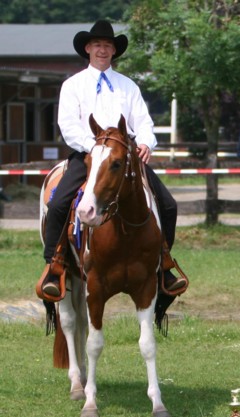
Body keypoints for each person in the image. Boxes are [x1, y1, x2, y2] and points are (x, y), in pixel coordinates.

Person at [39, 20, 186, 298]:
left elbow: (143, 121)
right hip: (88, 156)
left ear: (114, 51)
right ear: (88, 48)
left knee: (167, 206)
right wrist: (94, 149)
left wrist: (145, 142)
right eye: (98, 45)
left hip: (125, 160)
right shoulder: (73, 85)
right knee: (58, 203)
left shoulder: (128, 86)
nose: (103, 50)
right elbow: (68, 126)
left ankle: (163, 264)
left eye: (108, 46)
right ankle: (54, 265)